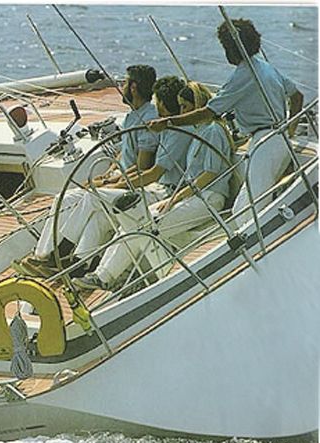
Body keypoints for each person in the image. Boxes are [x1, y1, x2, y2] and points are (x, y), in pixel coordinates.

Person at [20, 74, 193, 278]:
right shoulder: (165, 127)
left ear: (163, 102)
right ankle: (66, 261)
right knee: (76, 204)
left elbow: (153, 172)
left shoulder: (177, 132)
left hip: (163, 191)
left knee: (93, 197)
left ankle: (61, 253)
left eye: (158, 101)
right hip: (148, 186)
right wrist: (109, 180)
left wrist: (113, 186)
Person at [74, 82, 234, 292]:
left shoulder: (212, 131)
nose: (182, 112)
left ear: (198, 105)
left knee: (144, 223)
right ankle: (105, 275)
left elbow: (210, 173)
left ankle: (107, 278)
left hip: (209, 197)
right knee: (134, 220)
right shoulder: (202, 130)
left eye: (185, 107)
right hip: (195, 196)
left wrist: (175, 198)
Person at [147, 18, 303, 224]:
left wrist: (167, 123)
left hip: (265, 143)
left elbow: (207, 113)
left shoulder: (242, 75)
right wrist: (289, 130)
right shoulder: (266, 67)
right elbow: (297, 96)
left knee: (245, 212)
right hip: (277, 139)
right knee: (248, 207)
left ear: (231, 48)